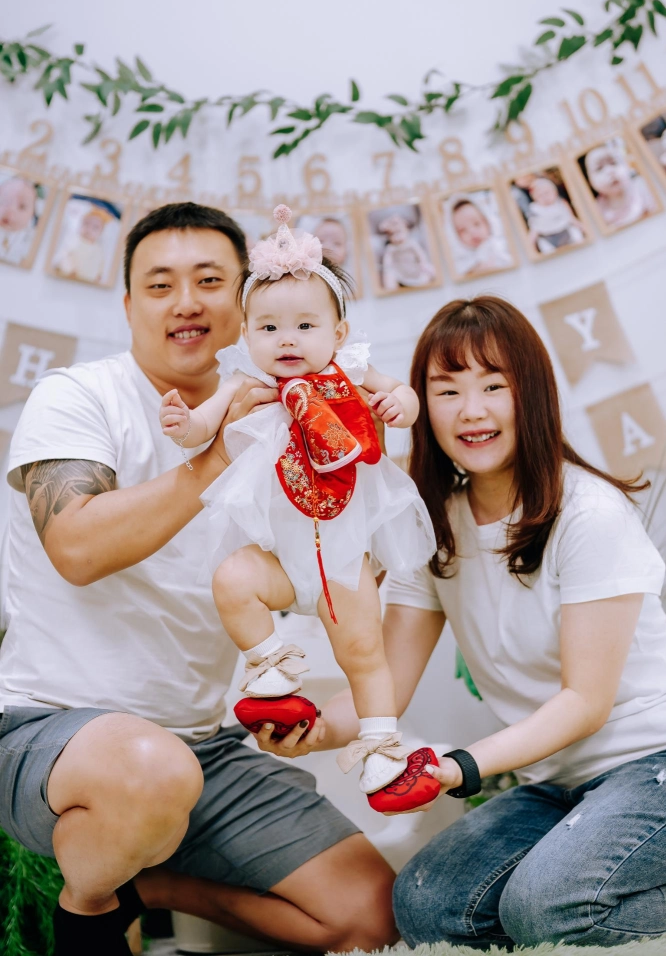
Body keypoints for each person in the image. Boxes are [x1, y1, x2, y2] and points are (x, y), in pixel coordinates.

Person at [0, 202, 397, 956]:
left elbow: (312, 575)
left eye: (210, 281)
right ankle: (88, 906)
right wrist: (217, 454)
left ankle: (145, 888)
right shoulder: (78, 397)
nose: (186, 302)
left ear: (247, 302)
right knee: (152, 770)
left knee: (373, 920)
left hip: (203, 748)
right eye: (161, 285)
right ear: (129, 306)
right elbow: (77, 548)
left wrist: (308, 700)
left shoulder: (285, 417)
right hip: (49, 732)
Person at [274, 295, 666, 949]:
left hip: (651, 764)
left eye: (493, 386)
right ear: (421, 404)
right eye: (447, 390)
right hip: (555, 784)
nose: (471, 410)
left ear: (530, 396)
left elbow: (586, 702)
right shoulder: (435, 525)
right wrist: (313, 729)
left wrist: (455, 767)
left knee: (545, 909)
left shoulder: (589, 514)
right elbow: (386, 685)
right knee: (428, 905)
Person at [159, 205, 436, 804]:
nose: (287, 339)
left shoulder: (351, 372)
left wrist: (401, 407)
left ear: (339, 334)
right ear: (245, 334)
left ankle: (382, 749)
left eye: (306, 325)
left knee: (364, 653)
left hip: (342, 561)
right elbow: (202, 427)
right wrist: (184, 424)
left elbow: (403, 394)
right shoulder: (244, 383)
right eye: (268, 328)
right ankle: (271, 666)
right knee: (232, 580)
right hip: (280, 560)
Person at [583, 138, 657, 229]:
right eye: (599, 169)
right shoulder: (597, 209)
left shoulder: (641, 188)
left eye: (613, 163)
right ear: (590, 182)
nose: (610, 171)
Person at [53, 199, 116, 283]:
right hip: (70, 274)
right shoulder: (74, 239)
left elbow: (100, 263)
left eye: (95, 227)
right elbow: (65, 255)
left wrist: (99, 275)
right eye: (86, 223)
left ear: (101, 232)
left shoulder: (99, 249)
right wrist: (70, 269)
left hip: (88, 279)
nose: (89, 229)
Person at [449, 196, 513, 275]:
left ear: (487, 222)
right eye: (463, 230)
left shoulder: (500, 245)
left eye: (476, 224)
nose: (472, 232)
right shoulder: (461, 262)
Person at [524, 174, 585, 253]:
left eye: (547, 193)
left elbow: (571, 219)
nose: (544, 197)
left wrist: (584, 228)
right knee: (544, 246)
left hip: (565, 231)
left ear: (555, 192)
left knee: (575, 233)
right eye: (540, 195)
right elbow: (534, 228)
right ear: (534, 197)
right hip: (547, 237)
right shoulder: (534, 209)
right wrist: (529, 245)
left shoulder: (560, 203)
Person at [377, 212, 435, 291]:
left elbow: (420, 254)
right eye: (392, 235)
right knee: (390, 274)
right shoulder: (391, 248)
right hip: (400, 271)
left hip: (415, 268)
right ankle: (391, 287)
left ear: (407, 230)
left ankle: (426, 282)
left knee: (427, 270)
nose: (397, 237)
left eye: (399, 232)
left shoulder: (411, 243)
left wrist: (423, 262)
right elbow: (387, 262)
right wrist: (388, 269)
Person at [0, 173, 39, 265]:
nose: (10, 211)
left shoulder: (30, 238)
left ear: (32, 213)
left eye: (22, 207)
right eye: (5, 201)